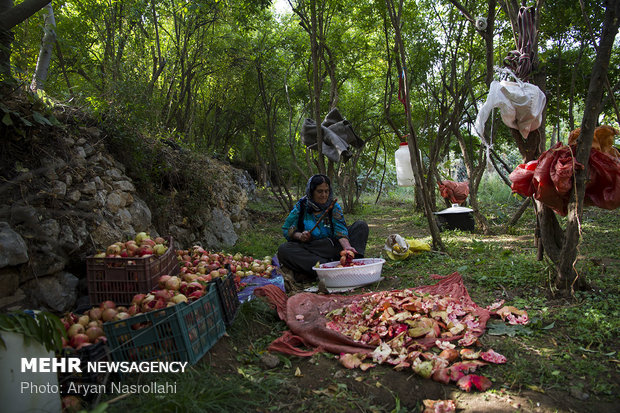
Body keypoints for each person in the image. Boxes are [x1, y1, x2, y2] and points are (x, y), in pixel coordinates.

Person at [277, 174, 369, 282]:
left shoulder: (333, 206)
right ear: (311, 192)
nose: (324, 195)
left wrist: (347, 248)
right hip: (313, 248)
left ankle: (351, 263)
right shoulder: (301, 207)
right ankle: (327, 267)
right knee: (284, 249)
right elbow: (287, 229)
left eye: (326, 191)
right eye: (319, 191)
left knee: (360, 226)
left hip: (334, 245)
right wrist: (300, 236)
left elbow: (340, 231)